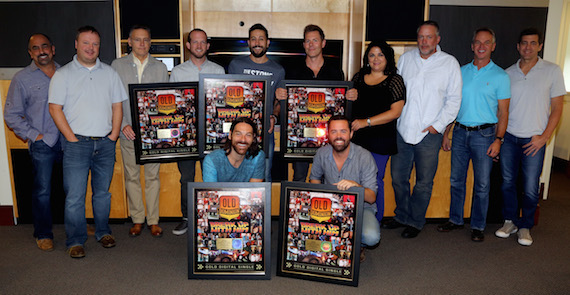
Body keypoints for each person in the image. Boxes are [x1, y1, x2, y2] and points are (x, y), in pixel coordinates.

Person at [49, 26, 127, 258]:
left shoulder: (110, 73)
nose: (90, 48)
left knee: (102, 194)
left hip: (105, 144)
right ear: (76, 44)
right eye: (86, 43)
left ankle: (103, 232)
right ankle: (75, 241)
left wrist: (113, 136)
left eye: (94, 44)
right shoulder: (63, 75)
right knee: (74, 196)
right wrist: (71, 139)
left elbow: (117, 106)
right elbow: (55, 109)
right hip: (76, 145)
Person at [385, 20, 462, 238]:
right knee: (398, 179)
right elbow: (395, 91)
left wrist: (438, 127)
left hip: (429, 134)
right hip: (403, 130)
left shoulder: (449, 63)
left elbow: (454, 100)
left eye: (429, 37)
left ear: (438, 39)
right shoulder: (406, 59)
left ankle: (415, 222)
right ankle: (401, 216)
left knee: (423, 183)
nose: (424, 41)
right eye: (420, 37)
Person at [437, 28, 510, 242]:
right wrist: (446, 133)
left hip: (485, 135)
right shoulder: (460, 71)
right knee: (456, 180)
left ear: (493, 46)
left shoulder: (501, 76)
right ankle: (455, 219)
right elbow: (453, 105)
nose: (481, 46)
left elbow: (504, 112)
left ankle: (478, 226)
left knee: (482, 184)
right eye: (478, 42)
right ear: (472, 46)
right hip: (460, 132)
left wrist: (499, 139)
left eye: (486, 43)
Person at [496, 28, 565, 246]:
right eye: (524, 43)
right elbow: (502, 110)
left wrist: (544, 137)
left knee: (530, 186)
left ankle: (525, 225)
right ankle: (510, 221)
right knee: (507, 183)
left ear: (540, 46)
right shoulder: (507, 74)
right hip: (509, 137)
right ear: (518, 46)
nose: (528, 47)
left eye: (533, 43)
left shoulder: (552, 71)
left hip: (534, 140)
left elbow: (557, 108)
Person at [275, 24, 357, 182]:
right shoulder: (292, 70)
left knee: (330, 178)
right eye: (307, 41)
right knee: (299, 177)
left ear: (323, 43)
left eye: (315, 40)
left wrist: (350, 96)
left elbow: (341, 103)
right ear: (303, 44)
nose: (311, 45)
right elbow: (282, 103)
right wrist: (280, 95)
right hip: (300, 135)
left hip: (328, 135)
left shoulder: (335, 71)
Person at [4, 34, 62, 251]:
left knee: (73, 188)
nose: (41, 51)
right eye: (35, 48)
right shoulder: (22, 78)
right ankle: (43, 233)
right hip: (42, 143)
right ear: (30, 53)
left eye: (44, 46)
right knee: (43, 190)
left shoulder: (66, 72)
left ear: (53, 49)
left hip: (69, 140)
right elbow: (11, 114)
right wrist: (33, 135)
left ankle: (77, 227)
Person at [111, 25, 169, 237]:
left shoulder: (161, 67)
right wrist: (122, 124)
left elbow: (166, 100)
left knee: (153, 177)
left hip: (153, 134)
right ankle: (137, 219)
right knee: (132, 176)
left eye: (145, 40)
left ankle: (153, 220)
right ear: (129, 42)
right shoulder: (117, 66)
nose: (142, 44)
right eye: (137, 40)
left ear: (150, 42)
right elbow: (113, 98)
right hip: (128, 131)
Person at [170, 28, 225, 235]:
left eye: (203, 42)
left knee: (212, 176)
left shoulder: (219, 71)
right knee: (186, 178)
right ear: (188, 45)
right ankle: (187, 217)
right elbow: (174, 103)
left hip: (212, 135)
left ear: (208, 46)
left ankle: (213, 217)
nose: (199, 46)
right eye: (195, 42)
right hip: (186, 135)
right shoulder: (177, 72)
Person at [309, 115, 380, 260]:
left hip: (360, 207)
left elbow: (372, 198)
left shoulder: (365, 157)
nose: (338, 136)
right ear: (328, 134)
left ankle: (357, 244)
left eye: (343, 131)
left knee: (371, 237)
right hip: (330, 206)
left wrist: (356, 186)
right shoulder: (321, 153)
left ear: (351, 134)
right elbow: (314, 179)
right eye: (334, 132)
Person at [350, 40, 405, 224]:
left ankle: (374, 222)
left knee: (374, 182)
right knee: (354, 180)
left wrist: (366, 122)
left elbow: (395, 112)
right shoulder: (358, 78)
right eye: (372, 54)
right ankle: (354, 221)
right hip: (357, 139)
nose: (376, 59)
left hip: (380, 141)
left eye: (380, 54)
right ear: (367, 58)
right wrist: (348, 96)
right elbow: (348, 105)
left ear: (388, 58)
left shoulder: (395, 80)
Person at [228, 23, 285, 182]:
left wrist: (274, 116)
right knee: (237, 176)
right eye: (253, 39)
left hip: (265, 134)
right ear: (248, 42)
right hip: (240, 132)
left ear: (268, 42)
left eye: (261, 39)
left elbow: (278, 101)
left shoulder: (278, 70)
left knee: (264, 176)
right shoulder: (236, 65)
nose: (257, 42)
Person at [202, 117, 265, 182]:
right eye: (238, 134)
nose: (243, 139)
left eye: (248, 135)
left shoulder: (257, 157)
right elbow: (211, 191)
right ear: (230, 135)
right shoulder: (212, 160)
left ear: (253, 138)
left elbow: (254, 190)